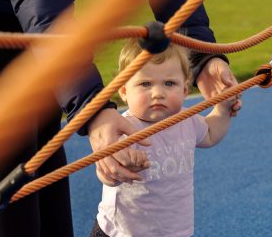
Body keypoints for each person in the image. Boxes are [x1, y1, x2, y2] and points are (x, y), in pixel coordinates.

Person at [0, 0, 241, 236]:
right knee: (10, 139)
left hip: (36, 1)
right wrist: (93, 106)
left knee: (45, 136)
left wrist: (201, 56)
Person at [90, 39, 235, 237]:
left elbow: (210, 134)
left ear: (184, 90)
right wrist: (116, 171)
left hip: (173, 230)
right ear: (124, 91)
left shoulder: (186, 120)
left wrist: (223, 108)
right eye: (145, 84)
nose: (158, 93)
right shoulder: (123, 129)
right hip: (122, 232)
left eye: (169, 83)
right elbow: (106, 173)